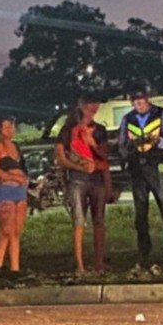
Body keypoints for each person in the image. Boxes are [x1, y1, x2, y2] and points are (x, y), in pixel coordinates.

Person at [117, 87, 163, 264]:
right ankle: (144, 249)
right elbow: (122, 144)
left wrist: (157, 141)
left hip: (157, 165)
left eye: (142, 101)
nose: (139, 104)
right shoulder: (127, 118)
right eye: (135, 102)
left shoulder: (161, 114)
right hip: (138, 168)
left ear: (148, 99)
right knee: (141, 211)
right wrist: (128, 153)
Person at [54, 98, 114, 274]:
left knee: (99, 221)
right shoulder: (68, 131)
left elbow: (104, 156)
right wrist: (80, 166)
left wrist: (91, 142)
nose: (91, 111)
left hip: (97, 179)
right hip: (77, 179)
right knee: (79, 222)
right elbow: (60, 157)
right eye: (88, 108)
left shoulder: (99, 130)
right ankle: (80, 265)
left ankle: (99, 264)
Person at [0, 116, 28, 274]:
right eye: (6, 128)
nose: (10, 130)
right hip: (5, 189)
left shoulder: (15, 146)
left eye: (11, 127)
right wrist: (13, 177)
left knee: (16, 232)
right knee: (6, 231)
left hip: (20, 190)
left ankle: (15, 268)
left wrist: (23, 178)